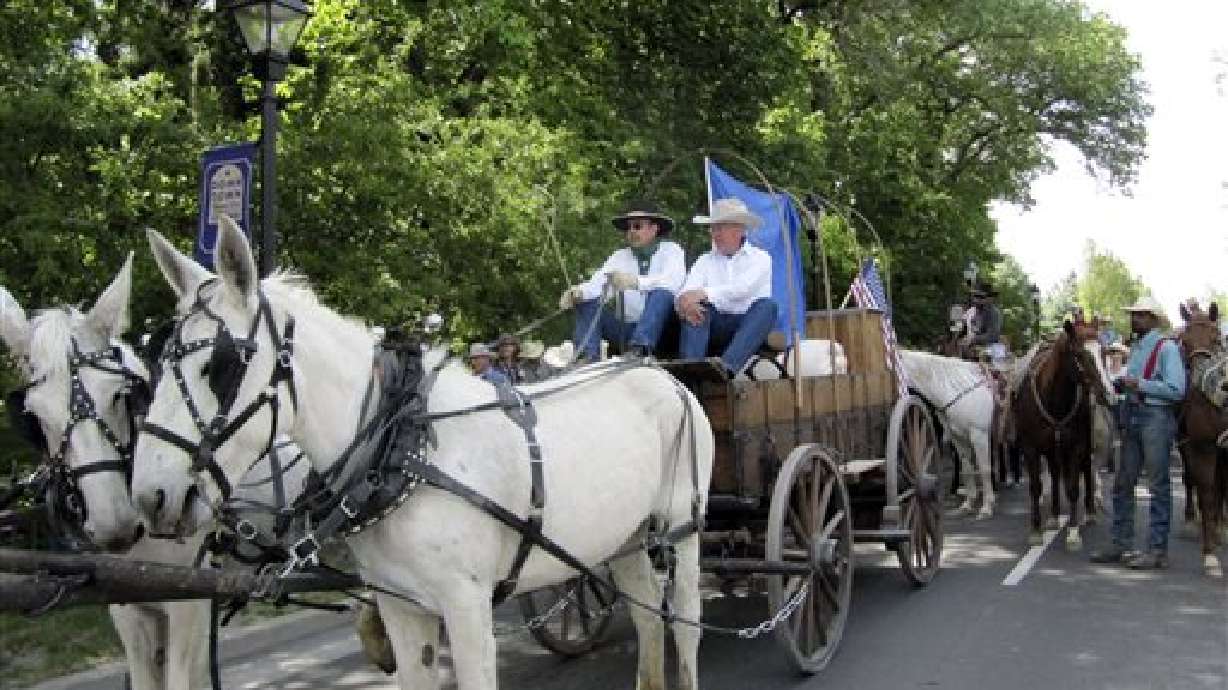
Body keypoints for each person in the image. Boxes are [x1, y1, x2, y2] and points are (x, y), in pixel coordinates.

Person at [1090, 296, 1185, 570]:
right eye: (1134, 314)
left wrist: (1139, 384)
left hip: (1155, 417)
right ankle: (1121, 542)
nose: (1135, 319)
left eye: (1141, 315)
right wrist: (1121, 388)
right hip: (1133, 415)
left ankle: (1157, 550)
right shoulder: (1139, 347)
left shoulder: (1166, 348)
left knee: (1157, 485)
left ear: (1153, 319)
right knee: (1122, 483)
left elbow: (1177, 389)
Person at [559, 200, 686, 360]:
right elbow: (598, 284)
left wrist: (636, 282)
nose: (632, 231)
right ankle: (587, 356)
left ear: (654, 229)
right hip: (625, 330)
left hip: (663, 331)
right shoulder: (619, 256)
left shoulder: (672, 250)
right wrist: (578, 293)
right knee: (587, 302)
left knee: (662, 293)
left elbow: (672, 282)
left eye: (637, 226)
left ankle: (640, 349)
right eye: (629, 227)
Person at [676, 197, 777, 376]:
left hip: (746, 328)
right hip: (712, 327)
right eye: (713, 228)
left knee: (767, 307)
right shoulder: (704, 260)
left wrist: (702, 293)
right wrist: (686, 303)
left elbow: (742, 289)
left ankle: (726, 367)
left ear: (739, 229)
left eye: (720, 228)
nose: (715, 234)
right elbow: (686, 292)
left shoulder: (761, 258)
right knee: (696, 308)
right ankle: (690, 371)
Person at [962, 283, 1003, 362]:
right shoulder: (973, 311)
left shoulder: (994, 313)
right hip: (969, 353)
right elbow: (966, 329)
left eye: (981, 297)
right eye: (975, 296)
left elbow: (992, 336)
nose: (976, 300)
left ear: (989, 298)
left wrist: (973, 339)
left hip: (986, 356)